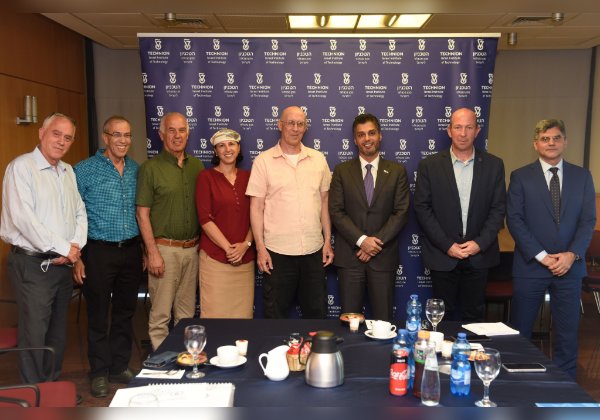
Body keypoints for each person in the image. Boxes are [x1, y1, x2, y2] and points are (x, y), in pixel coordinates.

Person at [0, 112, 87, 383]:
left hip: (62, 264)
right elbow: (25, 220)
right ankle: (32, 392)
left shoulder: (68, 171)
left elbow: (79, 212)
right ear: (41, 133)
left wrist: (74, 247)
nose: (61, 141)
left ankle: (50, 388)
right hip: (32, 264)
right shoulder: (21, 168)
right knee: (34, 333)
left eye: (68, 138)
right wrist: (65, 248)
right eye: (56, 134)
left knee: (57, 332)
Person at [507, 119, 596, 379]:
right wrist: (542, 256)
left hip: (570, 268)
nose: (551, 143)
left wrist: (572, 255)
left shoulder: (582, 176)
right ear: (535, 144)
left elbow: (588, 220)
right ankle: (516, 383)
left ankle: (564, 386)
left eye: (556, 138)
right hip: (531, 267)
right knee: (520, 332)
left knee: (567, 335)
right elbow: (514, 220)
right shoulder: (520, 176)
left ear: (565, 142)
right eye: (545, 139)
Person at [413, 107, 506, 321]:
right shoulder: (429, 166)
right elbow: (422, 208)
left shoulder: (494, 165)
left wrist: (479, 244)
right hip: (443, 255)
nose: (463, 133)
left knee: (474, 319)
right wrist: (448, 245)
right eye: (458, 127)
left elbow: (498, 208)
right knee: (440, 319)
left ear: (477, 131)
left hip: (479, 256)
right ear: (449, 130)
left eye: (469, 127)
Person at [73, 116, 142, 397]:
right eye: (117, 135)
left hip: (131, 250)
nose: (123, 140)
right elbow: (72, 215)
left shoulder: (136, 169)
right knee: (98, 314)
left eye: (127, 135)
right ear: (105, 137)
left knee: (126, 312)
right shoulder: (83, 170)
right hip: (98, 251)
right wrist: (77, 257)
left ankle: (119, 366)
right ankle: (99, 372)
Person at [246, 105, 334, 318]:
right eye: (291, 123)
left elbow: (324, 202)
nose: (295, 128)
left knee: (317, 316)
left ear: (305, 127)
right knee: (274, 317)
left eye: (300, 124)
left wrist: (327, 241)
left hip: (313, 251)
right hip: (276, 253)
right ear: (280, 125)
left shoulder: (318, 159)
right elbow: (256, 208)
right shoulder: (263, 161)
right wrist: (260, 248)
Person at [329, 113, 410, 320]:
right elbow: (336, 211)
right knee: (349, 323)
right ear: (355, 140)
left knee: (383, 322)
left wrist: (374, 244)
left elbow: (401, 212)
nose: (367, 139)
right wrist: (362, 241)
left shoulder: (397, 171)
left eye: (371, 133)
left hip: (383, 258)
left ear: (380, 135)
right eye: (361, 134)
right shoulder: (341, 171)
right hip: (350, 258)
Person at [136, 112, 204, 350]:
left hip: (192, 250)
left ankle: (184, 360)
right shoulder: (150, 168)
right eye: (171, 130)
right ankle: (162, 364)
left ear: (188, 133)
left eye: (182, 130)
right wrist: (152, 252)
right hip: (164, 250)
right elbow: (142, 214)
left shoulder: (196, 166)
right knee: (160, 316)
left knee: (186, 315)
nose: (177, 135)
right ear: (161, 134)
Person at [195, 128, 255, 318]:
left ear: (239, 148)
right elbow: (205, 219)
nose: (227, 149)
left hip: (244, 261)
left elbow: (257, 216)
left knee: (243, 318)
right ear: (215, 151)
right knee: (215, 318)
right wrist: (229, 249)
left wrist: (245, 245)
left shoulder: (250, 178)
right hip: (215, 260)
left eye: (231, 144)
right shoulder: (206, 177)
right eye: (221, 145)